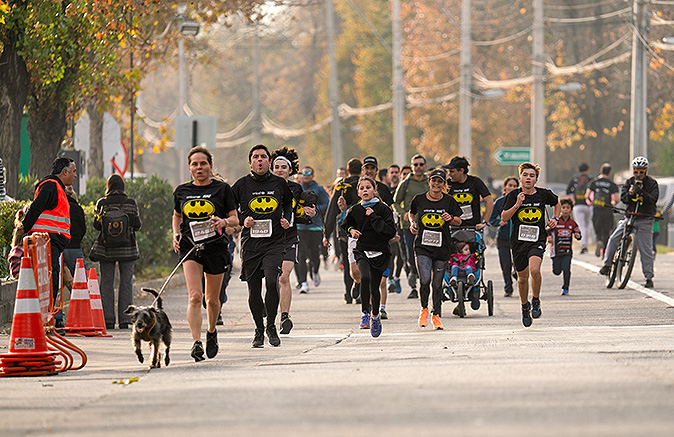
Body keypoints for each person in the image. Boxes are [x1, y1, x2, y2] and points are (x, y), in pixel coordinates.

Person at [173, 147, 238, 360]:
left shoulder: (222, 189)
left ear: (210, 166)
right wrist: (175, 233)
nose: (199, 167)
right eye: (195, 164)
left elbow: (235, 219)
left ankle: (211, 332)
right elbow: (177, 215)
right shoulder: (181, 191)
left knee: (211, 300)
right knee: (194, 296)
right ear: (189, 168)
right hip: (191, 247)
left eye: (203, 163)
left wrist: (223, 222)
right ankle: (196, 342)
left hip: (216, 247)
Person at [232, 144, 294, 348]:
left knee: (271, 281)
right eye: (256, 157)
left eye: (263, 157)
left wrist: (286, 219)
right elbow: (230, 210)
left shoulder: (279, 183)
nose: (260, 160)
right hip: (251, 244)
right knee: (253, 290)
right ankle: (258, 330)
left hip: (274, 242)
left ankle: (271, 326)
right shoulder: (241, 185)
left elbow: (287, 204)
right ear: (250, 162)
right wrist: (243, 220)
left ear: (269, 161)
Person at [501, 162, 560, 328]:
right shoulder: (513, 195)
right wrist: (517, 205)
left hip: (537, 239)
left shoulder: (543, 194)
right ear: (520, 178)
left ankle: (535, 300)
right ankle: (524, 307)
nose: (528, 178)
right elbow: (504, 217)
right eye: (525, 175)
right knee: (522, 279)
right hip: (518, 242)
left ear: (536, 179)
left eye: (532, 176)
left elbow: (557, 203)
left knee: (535, 270)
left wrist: (555, 219)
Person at [21, 157, 76, 330]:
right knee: (48, 283)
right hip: (46, 242)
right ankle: (42, 323)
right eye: (73, 171)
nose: (75, 175)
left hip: (51, 243)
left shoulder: (57, 188)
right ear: (64, 172)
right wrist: (24, 227)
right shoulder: (51, 185)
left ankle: (45, 321)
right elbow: (36, 207)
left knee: (51, 282)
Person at [341, 176, 397, 337]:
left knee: (375, 286)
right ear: (358, 192)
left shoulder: (383, 209)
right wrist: (351, 230)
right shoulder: (355, 209)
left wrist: (373, 217)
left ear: (374, 190)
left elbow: (390, 232)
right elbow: (345, 224)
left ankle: (375, 316)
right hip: (362, 250)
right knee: (364, 277)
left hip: (380, 252)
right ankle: (365, 313)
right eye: (362, 188)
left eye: (368, 187)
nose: (365, 190)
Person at [270, 147, 316, 335]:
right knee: (271, 279)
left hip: (289, 237)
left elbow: (299, 214)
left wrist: (309, 214)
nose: (280, 170)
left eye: (283, 167)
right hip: (268, 239)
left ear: (290, 171)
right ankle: (269, 315)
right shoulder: (265, 187)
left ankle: (284, 317)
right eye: (276, 167)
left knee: (283, 277)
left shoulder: (296, 189)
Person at [409, 169, 462, 330]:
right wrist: (413, 223)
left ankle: (436, 315)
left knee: (437, 284)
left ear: (444, 184)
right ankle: (424, 309)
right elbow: (411, 214)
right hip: (423, 246)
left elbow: (459, 220)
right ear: (429, 182)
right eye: (434, 181)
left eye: (440, 182)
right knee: (425, 279)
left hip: (442, 247)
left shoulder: (449, 201)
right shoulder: (419, 199)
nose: (436, 184)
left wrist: (451, 218)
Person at [89, 174, 142, 331]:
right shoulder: (130, 203)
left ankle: (108, 319)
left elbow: (96, 225)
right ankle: (126, 319)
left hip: (106, 249)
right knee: (126, 282)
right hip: (128, 249)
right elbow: (137, 225)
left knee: (106, 282)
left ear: (109, 186)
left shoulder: (102, 203)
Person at [599, 156, 658, 288]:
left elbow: (653, 199)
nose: (638, 175)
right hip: (630, 217)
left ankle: (649, 277)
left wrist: (641, 192)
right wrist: (630, 194)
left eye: (641, 172)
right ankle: (607, 265)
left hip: (645, 219)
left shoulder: (652, 184)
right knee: (614, 238)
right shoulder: (629, 182)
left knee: (646, 249)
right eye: (636, 172)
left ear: (646, 171)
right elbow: (624, 199)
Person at [324, 158, 362, 304]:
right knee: (362, 261)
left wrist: (326, 234)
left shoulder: (341, 186)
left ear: (347, 171)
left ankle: (348, 292)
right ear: (362, 170)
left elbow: (332, 210)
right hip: (363, 229)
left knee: (347, 263)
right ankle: (359, 289)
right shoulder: (365, 185)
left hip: (344, 230)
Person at [361, 156, 395, 317]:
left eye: (372, 168)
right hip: (363, 242)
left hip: (382, 242)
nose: (369, 171)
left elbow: (391, 212)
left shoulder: (383, 188)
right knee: (366, 278)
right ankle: (368, 308)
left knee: (381, 280)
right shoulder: (358, 188)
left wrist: (393, 233)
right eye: (366, 168)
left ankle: (381, 307)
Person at [393, 154, 429, 299]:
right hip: (409, 225)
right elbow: (395, 202)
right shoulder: (406, 183)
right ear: (412, 166)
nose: (418, 167)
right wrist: (404, 214)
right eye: (416, 165)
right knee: (411, 255)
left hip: (430, 225)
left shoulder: (430, 182)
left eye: (421, 164)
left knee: (428, 254)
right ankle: (413, 285)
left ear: (425, 166)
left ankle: (428, 283)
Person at [296, 166, 330, 294]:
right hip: (300, 227)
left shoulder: (319, 189)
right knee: (302, 255)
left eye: (308, 173)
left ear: (312, 175)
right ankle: (303, 282)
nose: (306, 175)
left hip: (315, 227)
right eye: (304, 173)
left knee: (315, 255)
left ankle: (315, 271)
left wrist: (314, 210)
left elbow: (327, 204)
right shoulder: (297, 188)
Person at [444, 156, 493, 231]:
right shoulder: (448, 184)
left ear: (461, 171)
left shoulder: (475, 182)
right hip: (454, 227)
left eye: (452, 171)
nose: (449, 174)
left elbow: (489, 201)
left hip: (474, 227)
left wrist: (484, 222)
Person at [489, 177, 519, 297]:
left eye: (515, 186)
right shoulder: (500, 202)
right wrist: (499, 223)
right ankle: (508, 287)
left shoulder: (520, 201)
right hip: (503, 237)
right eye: (510, 185)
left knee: (519, 263)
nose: (512, 188)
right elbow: (491, 219)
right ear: (504, 187)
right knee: (505, 264)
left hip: (518, 237)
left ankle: (517, 273)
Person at [548, 197, 581, 295]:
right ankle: (558, 267)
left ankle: (565, 288)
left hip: (567, 251)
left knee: (567, 269)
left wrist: (577, 235)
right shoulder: (555, 222)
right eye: (563, 207)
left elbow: (579, 234)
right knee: (556, 271)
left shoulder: (573, 223)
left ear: (571, 210)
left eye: (568, 208)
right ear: (560, 209)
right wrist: (549, 236)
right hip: (556, 251)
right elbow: (547, 230)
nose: (565, 210)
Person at [586, 163, 619, 258]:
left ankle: (599, 240)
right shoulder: (612, 184)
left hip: (597, 209)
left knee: (598, 229)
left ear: (601, 170)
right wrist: (613, 204)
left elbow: (587, 195)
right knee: (607, 231)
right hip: (607, 210)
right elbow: (616, 199)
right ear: (610, 172)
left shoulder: (594, 182)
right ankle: (604, 251)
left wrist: (592, 202)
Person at [566, 163, 593, 254]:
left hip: (577, 205)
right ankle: (586, 244)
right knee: (587, 225)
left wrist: (572, 199)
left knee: (580, 225)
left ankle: (583, 244)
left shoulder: (575, 179)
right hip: (589, 205)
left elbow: (568, 191)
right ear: (588, 170)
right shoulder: (590, 180)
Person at [62, 185, 87, 276]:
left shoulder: (56, 207)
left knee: (57, 282)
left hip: (59, 249)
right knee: (81, 280)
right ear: (72, 193)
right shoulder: (77, 209)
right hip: (74, 248)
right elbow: (83, 229)